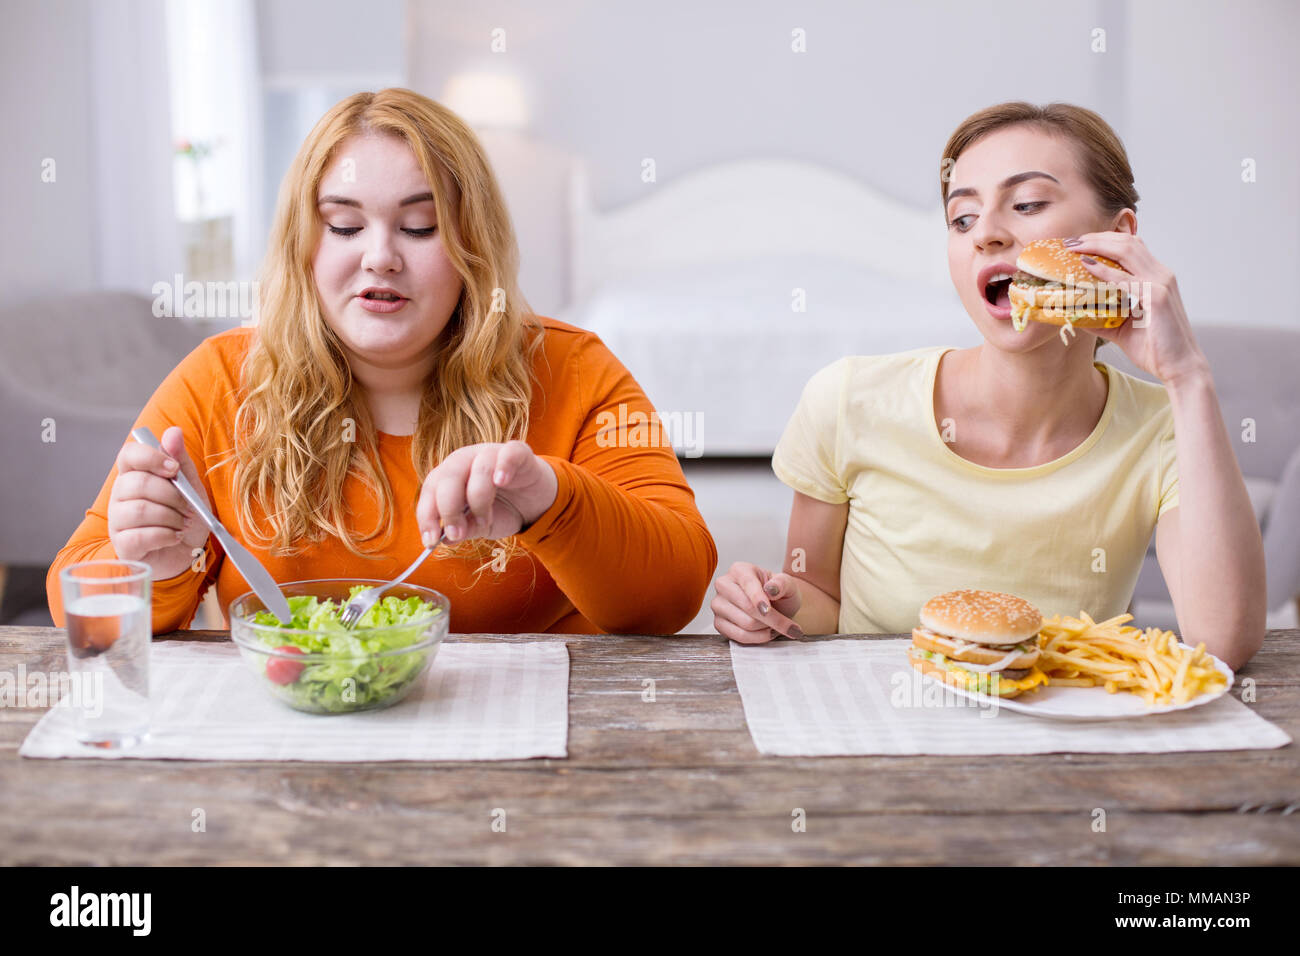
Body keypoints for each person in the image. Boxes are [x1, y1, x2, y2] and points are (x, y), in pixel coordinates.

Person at [48, 88, 716, 635]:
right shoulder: (220, 380)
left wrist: (551, 502)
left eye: (420, 226)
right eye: (344, 225)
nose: (380, 256)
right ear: (304, 243)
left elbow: (673, 595)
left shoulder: (575, 370)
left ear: (471, 246)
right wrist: (160, 566)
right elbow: (76, 601)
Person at [711, 102, 1265, 670]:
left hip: (1062, 740)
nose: (988, 235)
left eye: (1026, 204)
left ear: (1117, 238)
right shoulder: (848, 399)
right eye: (962, 219)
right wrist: (773, 605)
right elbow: (819, 600)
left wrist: (1187, 375)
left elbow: (1222, 641)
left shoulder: (1164, 426)